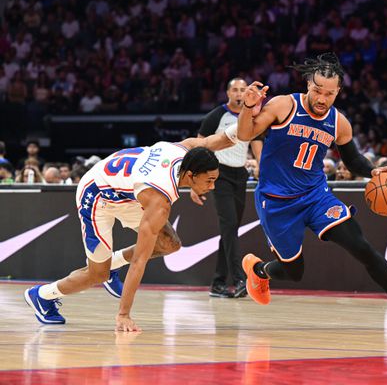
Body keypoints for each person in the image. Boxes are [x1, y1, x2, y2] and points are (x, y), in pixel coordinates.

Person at [237, 53, 387, 334]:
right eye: (318, 91)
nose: (322, 99)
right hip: (276, 202)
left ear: (338, 92)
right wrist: (248, 108)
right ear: (308, 84)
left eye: (329, 94)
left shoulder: (338, 122)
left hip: (315, 197)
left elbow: (353, 159)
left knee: (362, 247)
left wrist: (375, 171)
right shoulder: (284, 105)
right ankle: (259, 271)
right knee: (294, 272)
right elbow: (246, 135)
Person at [24, 129, 237, 331]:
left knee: (169, 244)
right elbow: (139, 261)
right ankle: (42, 295)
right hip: (97, 195)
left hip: (128, 192)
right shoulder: (160, 200)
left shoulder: (183, 150)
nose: (212, 186)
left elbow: (219, 139)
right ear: (190, 175)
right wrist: (123, 314)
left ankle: (112, 265)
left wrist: (248, 111)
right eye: (210, 180)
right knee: (97, 274)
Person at [198, 77, 263, 299]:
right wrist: (198, 182)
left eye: (243, 90)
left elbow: (256, 142)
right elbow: (199, 144)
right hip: (220, 174)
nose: (239, 93)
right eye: (235, 89)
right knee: (230, 225)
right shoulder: (216, 115)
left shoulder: (250, 116)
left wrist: (261, 166)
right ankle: (239, 279)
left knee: (230, 229)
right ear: (228, 93)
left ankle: (217, 283)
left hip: (240, 174)